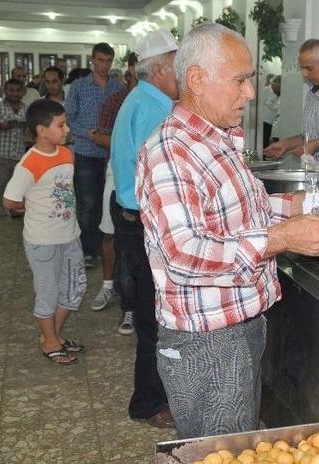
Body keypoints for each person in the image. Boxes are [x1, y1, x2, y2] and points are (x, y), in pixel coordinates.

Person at [136, 22, 319, 438]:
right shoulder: (171, 151)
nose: (250, 93)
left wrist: (300, 204)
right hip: (209, 342)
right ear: (196, 80)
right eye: (240, 80)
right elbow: (183, 254)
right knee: (223, 449)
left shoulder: (217, 139)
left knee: (237, 438)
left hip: (238, 327)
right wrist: (285, 237)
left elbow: (240, 209)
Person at [111, 30, 178, 428]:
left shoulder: (140, 99)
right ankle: (148, 404)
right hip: (143, 221)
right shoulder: (154, 108)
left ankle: (153, 398)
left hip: (129, 213)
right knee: (154, 318)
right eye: (176, 67)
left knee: (149, 310)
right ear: (159, 70)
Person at [3, 99, 86, 365]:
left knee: (75, 288)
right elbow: (10, 200)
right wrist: (33, 207)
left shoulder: (66, 154)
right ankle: (50, 341)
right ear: (41, 130)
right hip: (43, 241)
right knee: (48, 292)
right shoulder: (29, 163)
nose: (67, 130)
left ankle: (53, 335)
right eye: (61, 125)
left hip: (70, 235)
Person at [89, 51, 139, 338]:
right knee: (110, 234)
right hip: (119, 174)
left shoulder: (165, 101)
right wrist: (126, 142)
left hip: (147, 180)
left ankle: (132, 306)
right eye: (133, 73)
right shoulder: (116, 102)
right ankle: (107, 286)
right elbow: (99, 135)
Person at [66, 43, 125, 267]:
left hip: (111, 154)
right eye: (100, 60)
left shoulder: (117, 88)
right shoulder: (79, 86)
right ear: (92, 60)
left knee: (108, 202)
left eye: (108, 61)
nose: (104, 65)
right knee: (88, 203)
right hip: (87, 152)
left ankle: (106, 247)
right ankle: (88, 249)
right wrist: (88, 134)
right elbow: (69, 118)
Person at [262, 39, 319, 164]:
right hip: (312, 170)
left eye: (309, 68)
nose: (304, 74)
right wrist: (286, 144)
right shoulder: (312, 93)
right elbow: (310, 136)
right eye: (302, 68)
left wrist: (317, 145)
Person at [0, 79, 28, 217]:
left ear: (23, 92)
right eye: (11, 90)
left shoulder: (26, 108)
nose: (15, 93)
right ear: (5, 91)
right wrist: (1, 125)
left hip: (18, 155)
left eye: (18, 90)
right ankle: (0, 206)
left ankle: (13, 208)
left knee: (16, 185)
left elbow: (31, 127)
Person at [261, 75, 280, 144]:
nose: (280, 87)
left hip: (272, 122)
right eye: (279, 85)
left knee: (267, 142)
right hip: (264, 121)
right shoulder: (264, 91)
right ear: (275, 83)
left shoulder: (278, 93)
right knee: (263, 141)